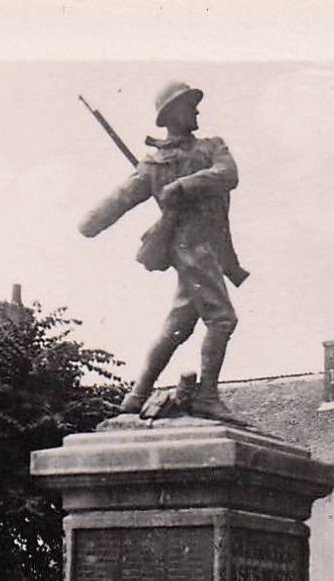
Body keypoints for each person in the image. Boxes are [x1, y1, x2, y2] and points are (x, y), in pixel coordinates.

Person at [79, 81, 249, 421]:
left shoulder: (211, 147)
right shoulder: (154, 165)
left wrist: (180, 186)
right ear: (173, 113)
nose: (197, 110)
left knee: (178, 325)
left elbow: (228, 174)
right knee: (222, 318)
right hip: (191, 249)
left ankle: (137, 394)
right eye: (190, 105)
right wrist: (91, 222)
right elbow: (119, 200)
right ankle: (207, 396)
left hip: (210, 248)